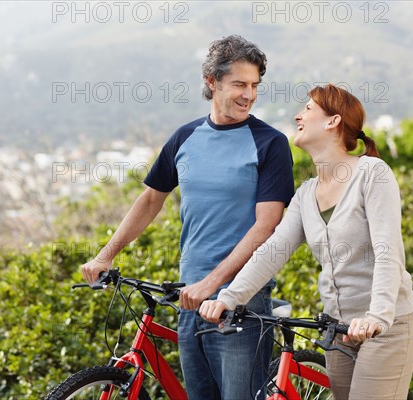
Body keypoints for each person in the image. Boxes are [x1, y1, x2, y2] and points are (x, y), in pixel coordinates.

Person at [81, 34, 295, 399]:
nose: (249, 94)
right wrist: (107, 253)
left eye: (255, 85)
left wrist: (212, 284)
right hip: (189, 295)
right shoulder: (185, 138)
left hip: (242, 298)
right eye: (239, 84)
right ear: (211, 82)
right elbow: (150, 199)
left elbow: (267, 225)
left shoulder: (269, 143)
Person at [200, 84, 413, 400]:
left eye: (307, 109)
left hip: (387, 325)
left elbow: (388, 252)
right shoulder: (306, 194)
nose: (297, 115)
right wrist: (228, 297)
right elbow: (273, 252)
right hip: (339, 331)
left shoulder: (372, 174)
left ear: (333, 121)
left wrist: (377, 317)